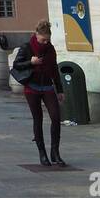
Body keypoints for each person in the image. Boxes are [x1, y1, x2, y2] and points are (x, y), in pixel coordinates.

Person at [22, 20, 66, 167]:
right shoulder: (27, 47)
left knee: (55, 116)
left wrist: (59, 90)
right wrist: (30, 62)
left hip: (47, 86)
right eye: (43, 39)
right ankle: (42, 153)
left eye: (48, 40)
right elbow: (16, 65)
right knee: (38, 118)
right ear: (36, 35)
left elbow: (54, 70)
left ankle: (55, 152)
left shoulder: (50, 49)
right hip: (32, 87)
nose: (45, 42)